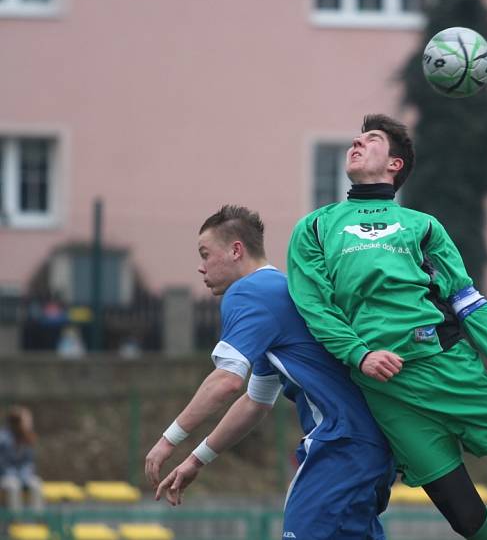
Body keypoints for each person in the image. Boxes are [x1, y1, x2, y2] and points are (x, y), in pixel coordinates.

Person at [286, 114, 487, 540]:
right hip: (391, 395)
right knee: (467, 519)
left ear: (395, 164)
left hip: (452, 371)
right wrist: (360, 353)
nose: (356, 142)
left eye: (370, 139)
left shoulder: (422, 227)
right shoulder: (315, 227)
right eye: (356, 138)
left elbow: (467, 301)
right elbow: (314, 305)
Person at [145, 205, 394, 540]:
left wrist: (167, 441)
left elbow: (227, 381)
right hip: (367, 447)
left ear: (236, 250)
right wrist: (195, 460)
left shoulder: (248, 293)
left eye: (206, 254)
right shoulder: (280, 291)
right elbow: (255, 402)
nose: (200, 267)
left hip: (340, 446)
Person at [0, 406, 44, 513]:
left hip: (22, 476)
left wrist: (24, 476)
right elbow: (3, 464)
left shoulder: (28, 438)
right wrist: (17, 476)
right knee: (13, 486)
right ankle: (15, 522)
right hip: (6, 477)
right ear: (17, 422)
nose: (29, 424)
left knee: (36, 484)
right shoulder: (3, 439)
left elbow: (29, 463)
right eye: (27, 421)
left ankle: (36, 521)